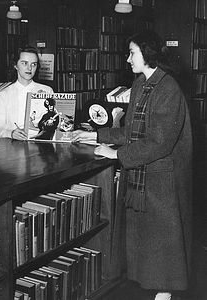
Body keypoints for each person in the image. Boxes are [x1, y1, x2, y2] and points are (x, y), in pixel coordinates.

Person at [72, 30, 192, 300]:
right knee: (148, 244)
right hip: (143, 175)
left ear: (147, 54)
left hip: (162, 180)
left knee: (163, 247)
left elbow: (160, 142)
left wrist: (116, 155)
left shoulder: (168, 88)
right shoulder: (141, 84)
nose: (128, 59)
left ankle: (166, 292)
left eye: (132, 53)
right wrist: (96, 135)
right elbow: (130, 131)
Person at [0, 46, 53, 140]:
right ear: (15, 65)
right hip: (12, 147)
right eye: (24, 63)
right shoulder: (3, 95)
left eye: (34, 64)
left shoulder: (47, 91)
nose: (29, 68)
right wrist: (11, 133)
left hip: (40, 146)